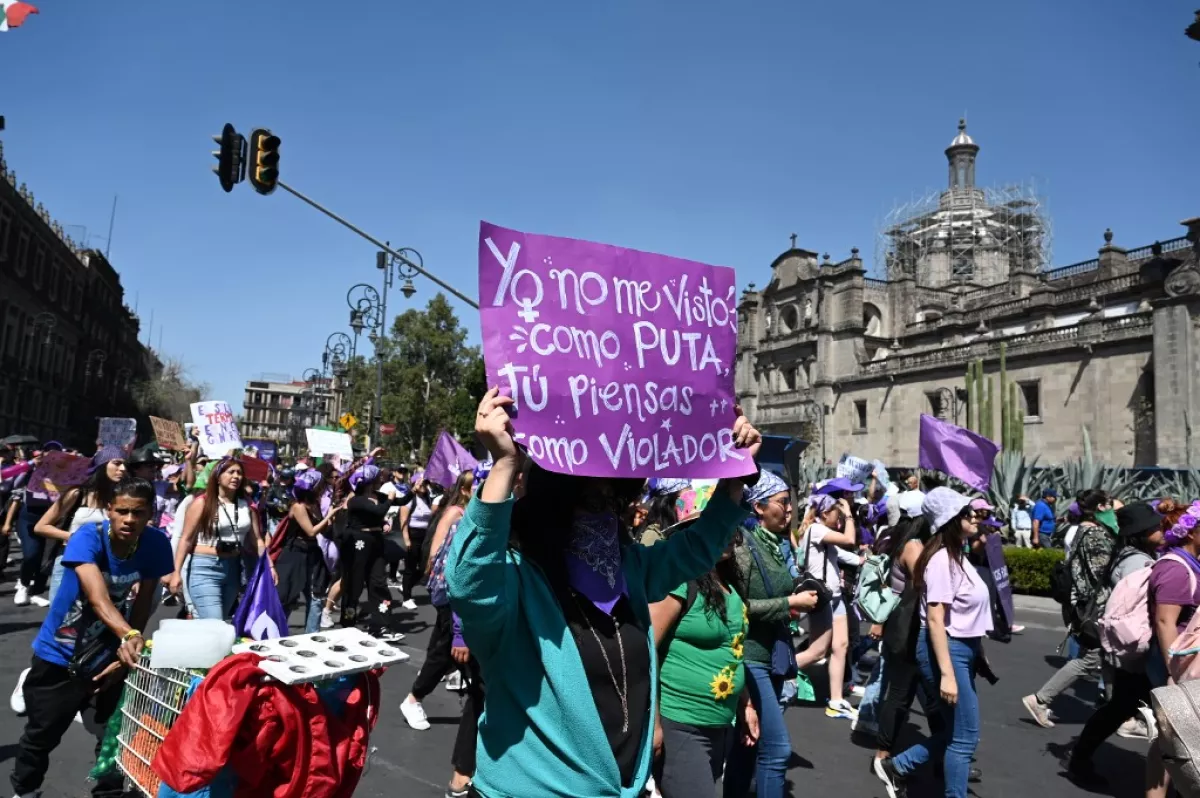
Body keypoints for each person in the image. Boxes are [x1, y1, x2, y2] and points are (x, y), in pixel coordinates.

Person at [445, 388, 762, 798]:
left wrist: (734, 474)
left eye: (616, 498)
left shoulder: (628, 572)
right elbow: (468, 581)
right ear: (555, 500)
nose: (608, 513)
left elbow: (697, 547)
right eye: (591, 499)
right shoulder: (517, 582)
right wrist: (505, 463)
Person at [9, 477, 174, 798]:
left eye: (138, 512)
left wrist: (127, 648)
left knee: (112, 731)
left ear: (149, 513)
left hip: (109, 651)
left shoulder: (155, 543)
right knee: (42, 733)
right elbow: (98, 598)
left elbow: (144, 602)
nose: (129, 519)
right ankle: (26, 790)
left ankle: (108, 792)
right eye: (122, 511)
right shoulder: (88, 538)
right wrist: (129, 633)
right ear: (109, 510)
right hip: (61, 651)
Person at [874, 487, 992, 798]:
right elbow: (936, 619)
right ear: (952, 520)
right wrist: (948, 674)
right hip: (946, 651)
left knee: (958, 733)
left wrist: (977, 652)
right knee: (964, 737)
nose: (976, 517)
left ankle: (898, 766)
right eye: (969, 513)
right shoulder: (940, 559)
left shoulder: (958, 556)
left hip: (961, 650)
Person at [648, 481, 752, 798]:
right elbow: (645, 648)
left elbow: (733, 650)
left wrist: (745, 701)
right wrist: (653, 724)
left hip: (719, 723)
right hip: (680, 722)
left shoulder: (729, 583)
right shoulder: (679, 581)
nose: (727, 533)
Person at [723, 471, 820, 798]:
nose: (790, 510)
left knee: (748, 745)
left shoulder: (777, 545)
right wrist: (789, 602)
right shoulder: (745, 546)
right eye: (782, 503)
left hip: (773, 655)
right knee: (777, 750)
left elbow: (783, 589)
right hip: (750, 657)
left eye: (790, 503)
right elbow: (739, 606)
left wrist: (802, 594)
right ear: (759, 506)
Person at [1065, 502, 1164, 787]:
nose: (1161, 529)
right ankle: (1080, 760)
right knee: (1121, 707)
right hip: (1134, 650)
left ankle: (1080, 758)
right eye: (1155, 527)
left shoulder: (1130, 555)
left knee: (1120, 706)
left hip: (1129, 650)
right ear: (1142, 533)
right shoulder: (1137, 562)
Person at [1021, 490, 1115, 728]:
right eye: (1110, 505)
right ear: (1101, 508)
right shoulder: (1094, 534)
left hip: (1085, 603)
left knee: (1108, 658)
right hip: (1096, 606)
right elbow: (1101, 571)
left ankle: (1116, 710)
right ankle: (1040, 699)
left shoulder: (1080, 530)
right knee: (1089, 659)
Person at [400, 470, 476, 731]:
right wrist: (432, 573)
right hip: (449, 590)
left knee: (445, 647)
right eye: (476, 486)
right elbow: (439, 543)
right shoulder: (458, 513)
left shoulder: (478, 516)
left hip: (461, 593)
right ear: (465, 491)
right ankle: (414, 698)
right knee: (447, 649)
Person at [1146, 499, 1200, 798]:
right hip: (1177, 662)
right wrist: (1173, 673)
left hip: (1187, 660)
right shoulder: (1176, 569)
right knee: (1168, 737)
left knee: (1174, 735)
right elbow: (1165, 622)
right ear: (1191, 532)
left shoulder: (1191, 564)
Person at [171, 458, 269, 620]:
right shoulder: (201, 503)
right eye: (231, 472)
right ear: (217, 477)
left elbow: (257, 540)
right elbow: (185, 539)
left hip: (233, 569)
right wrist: (176, 573)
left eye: (239, 473)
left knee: (219, 624)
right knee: (214, 622)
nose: (236, 476)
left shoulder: (246, 505)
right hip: (204, 568)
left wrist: (269, 565)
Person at [793, 492, 861, 720]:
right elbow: (849, 540)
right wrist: (850, 516)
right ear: (824, 513)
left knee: (841, 646)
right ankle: (774, 673)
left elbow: (842, 554)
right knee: (817, 651)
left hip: (835, 595)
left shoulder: (822, 534)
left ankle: (836, 700)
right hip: (821, 597)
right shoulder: (818, 529)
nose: (841, 519)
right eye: (837, 514)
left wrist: (863, 561)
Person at [35, 446, 128, 604]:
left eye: (125, 465)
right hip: (69, 562)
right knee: (63, 619)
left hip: (103, 566)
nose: (123, 469)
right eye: (117, 463)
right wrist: (74, 537)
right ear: (102, 465)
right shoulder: (77, 494)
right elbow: (41, 527)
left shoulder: (120, 498)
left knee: (93, 620)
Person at [339, 463, 406, 642]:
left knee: (379, 584)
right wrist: (390, 500)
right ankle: (347, 622)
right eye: (378, 476)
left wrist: (413, 490)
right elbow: (379, 510)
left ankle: (380, 625)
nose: (382, 478)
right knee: (354, 584)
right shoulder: (356, 499)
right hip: (358, 543)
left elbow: (402, 501)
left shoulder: (379, 495)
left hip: (376, 543)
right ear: (370, 480)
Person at [274, 470, 345, 633]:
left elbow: (321, 530)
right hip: (295, 554)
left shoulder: (314, 505)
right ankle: (277, 633)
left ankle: (311, 636)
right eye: (321, 486)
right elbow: (311, 531)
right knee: (288, 597)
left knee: (316, 597)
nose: (323, 489)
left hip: (313, 553)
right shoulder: (298, 506)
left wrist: (331, 519)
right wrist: (329, 516)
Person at [399, 475, 435, 610]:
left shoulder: (427, 498)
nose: (424, 486)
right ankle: (406, 598)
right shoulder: (409, 498)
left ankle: (406, 586)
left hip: (424, 537)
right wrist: (406, 540)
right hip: (412, 536)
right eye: (421, 484)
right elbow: (403, 521)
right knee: (410, 568)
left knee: (425, 568)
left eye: (425, 483)